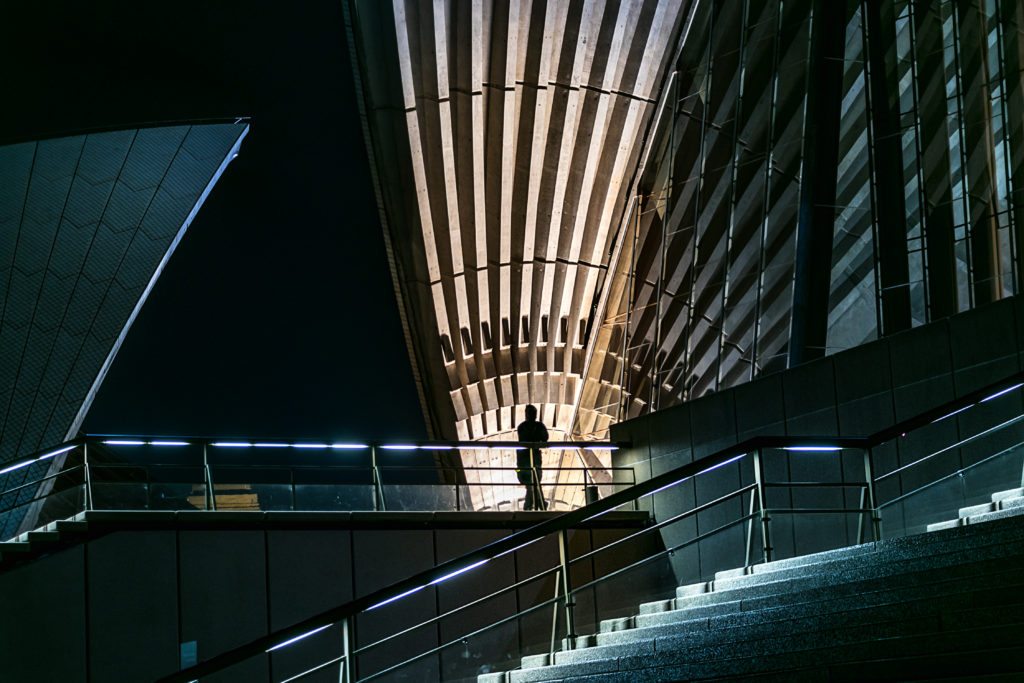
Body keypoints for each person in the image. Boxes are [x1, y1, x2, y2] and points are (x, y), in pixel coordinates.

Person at [516, 404, 548, 511]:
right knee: (534, 484)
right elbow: (543, 439)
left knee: (532, 484)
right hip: (527, 461)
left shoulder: (523, 427)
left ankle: (531, 505)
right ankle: (540, 504)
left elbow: (544, 438)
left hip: (529, 461)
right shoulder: (529, 427)